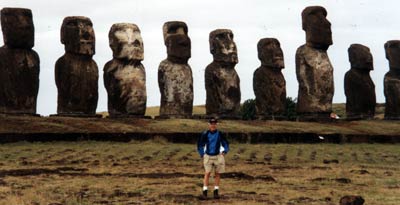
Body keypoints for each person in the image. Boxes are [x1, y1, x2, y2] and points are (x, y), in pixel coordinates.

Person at [197, 117, 229, 199]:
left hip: (218, 155)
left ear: (216, 124)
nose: (213, 125)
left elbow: (225, 143)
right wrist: (202, 154)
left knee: (218, 174)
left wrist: (225, 151)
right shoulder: (205, 134)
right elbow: (200, 144)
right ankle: (205, 192)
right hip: (208, 156)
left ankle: (216, 192)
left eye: (214, 123)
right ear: (209, 124)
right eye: (211, 123)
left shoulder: (220, 133)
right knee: (207, 173)